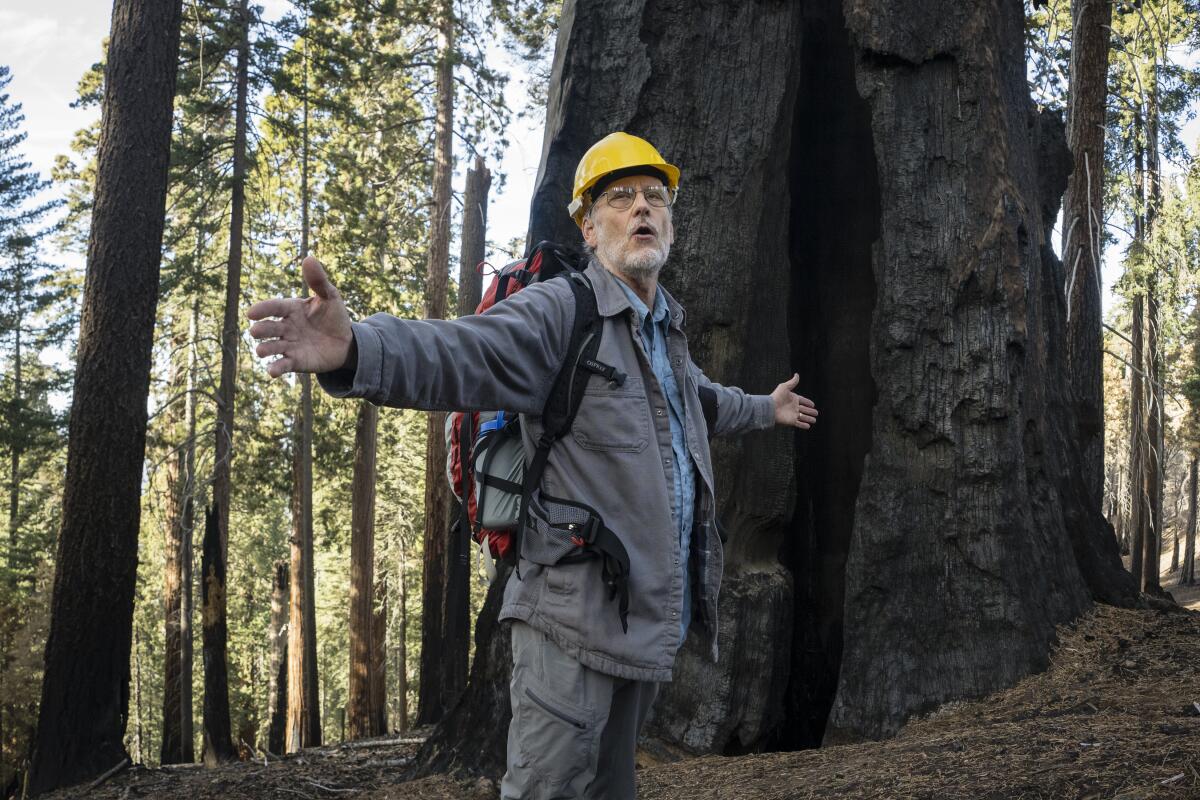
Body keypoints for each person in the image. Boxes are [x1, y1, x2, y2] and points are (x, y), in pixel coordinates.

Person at [248, 131, 818, 799]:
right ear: (587, 222)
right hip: (567, 628)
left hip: (637, 629)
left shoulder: (664, 328)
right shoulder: (561, 312)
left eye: (655, 198)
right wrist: (357, 351)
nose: (642, 209)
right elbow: (460, 354)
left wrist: (765, 408)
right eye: (620, 197)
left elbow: (698, 404)